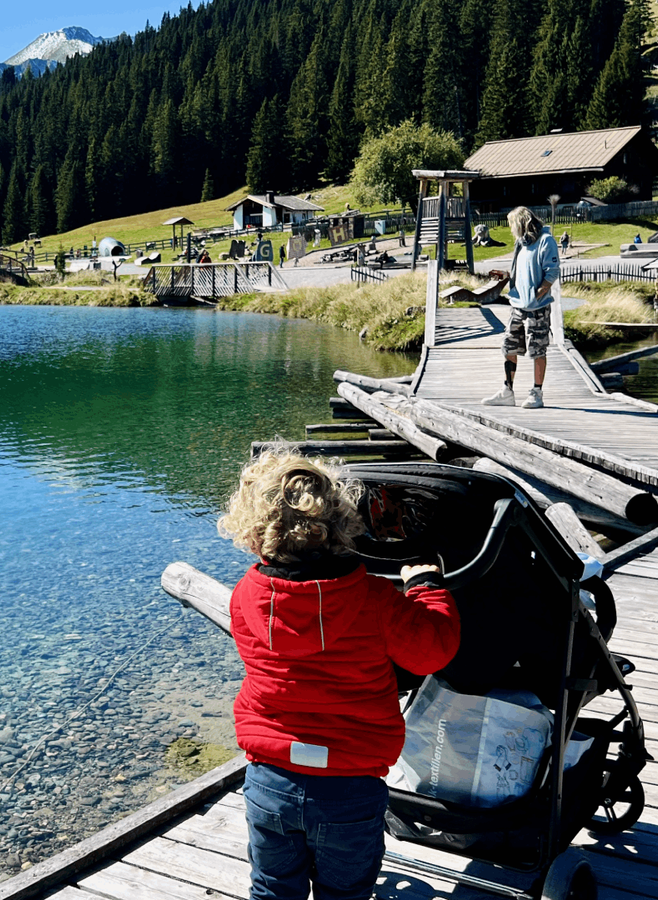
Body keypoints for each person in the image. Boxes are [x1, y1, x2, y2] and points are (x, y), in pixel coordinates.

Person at [218, 451, 461, 900]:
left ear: (253, 532)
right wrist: (425, 588)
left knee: (272, 889)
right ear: (342, 523)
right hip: (350, 787)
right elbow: (432, 652)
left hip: (270, 779)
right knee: (345, 893)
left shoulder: (246, 595)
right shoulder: (373, 598)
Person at [484, 206, 559, 409]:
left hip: (538, 307)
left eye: (511, 225)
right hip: (517, 306)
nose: (510, 229)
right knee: (508, 347)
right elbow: (524, 271)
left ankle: (537, 393)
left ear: (521, 223)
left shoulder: (546, 241)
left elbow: (552, 272)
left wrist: (536, 295)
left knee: (537, 350)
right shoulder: (521, 243)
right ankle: (507, 391)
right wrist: (507, 276)